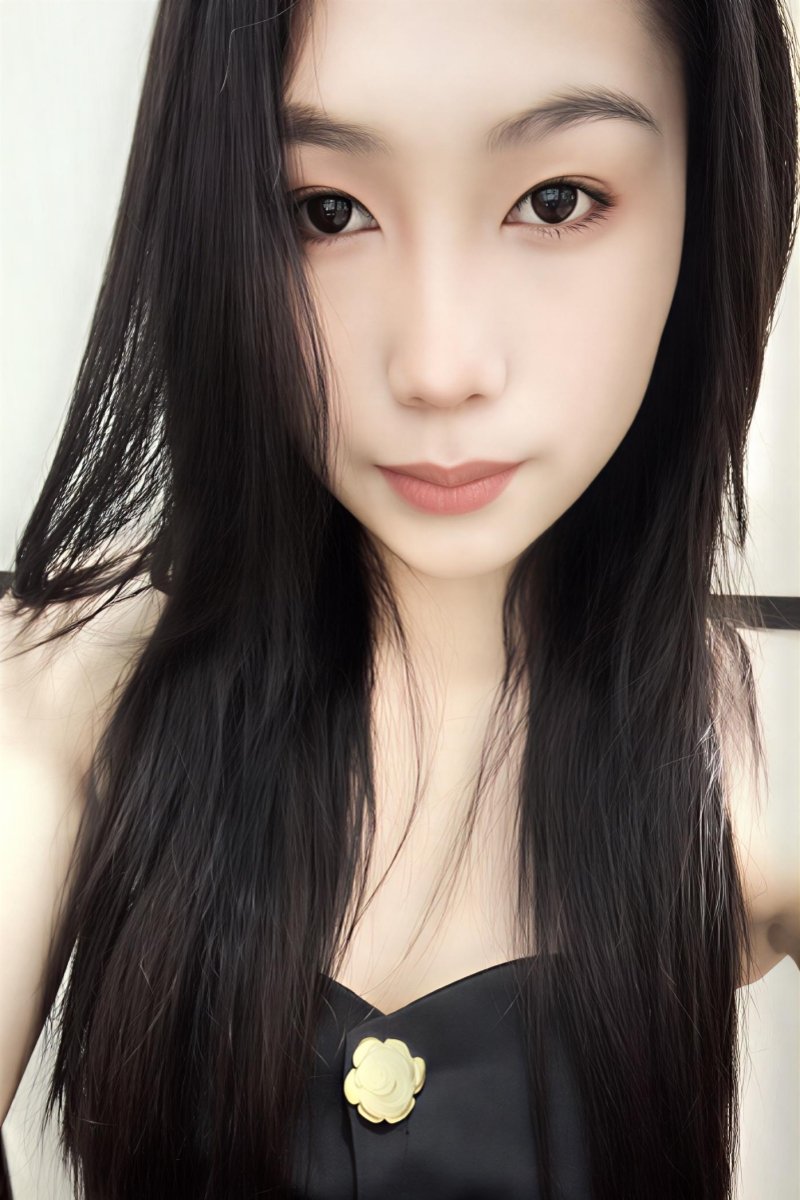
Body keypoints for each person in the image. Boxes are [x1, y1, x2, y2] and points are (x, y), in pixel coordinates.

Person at [1, 0, 798, 1197]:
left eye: (555, 200)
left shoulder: (755, 765)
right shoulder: (68, 702)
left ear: (711, 187)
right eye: (326, 212)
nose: (436, 366)